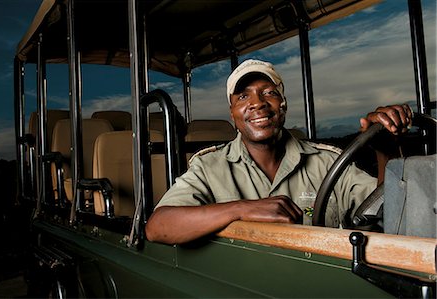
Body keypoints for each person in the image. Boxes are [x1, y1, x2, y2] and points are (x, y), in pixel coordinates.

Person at [145, 59, 413, 245]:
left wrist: (386, 153)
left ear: (282, 104)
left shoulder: (327, 161)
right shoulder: (209, 166)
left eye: (268, 93)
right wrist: (239, 210)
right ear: (232, 113)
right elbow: (158, 227)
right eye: (243, 96)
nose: (257, 104)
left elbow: (389, 212)